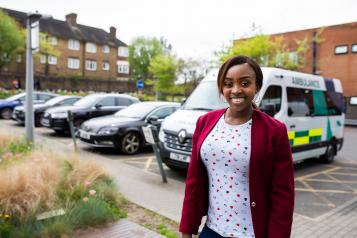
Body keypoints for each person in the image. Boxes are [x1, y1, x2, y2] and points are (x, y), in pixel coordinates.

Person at [179, 56, 294, 238]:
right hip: (211, 231)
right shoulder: (205, 122)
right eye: (228, 84)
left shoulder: (275, 131)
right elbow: (194, 182)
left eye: (245, 83)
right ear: (221, 88)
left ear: (257, 86)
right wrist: (187, 229)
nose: (236, 90)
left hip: (250, 234)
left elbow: (283, 197)